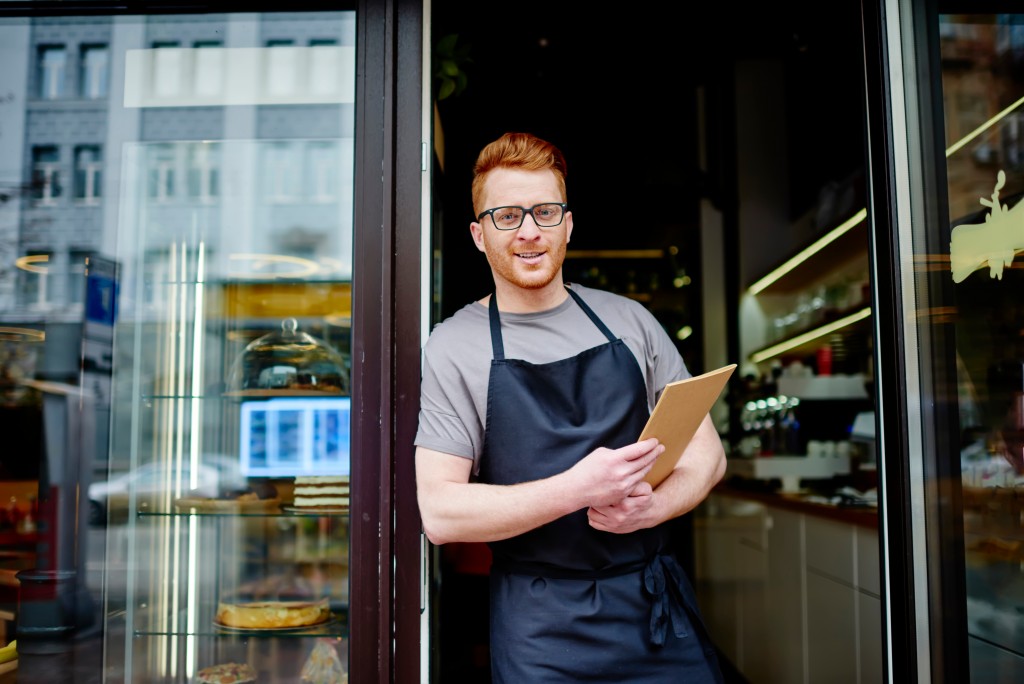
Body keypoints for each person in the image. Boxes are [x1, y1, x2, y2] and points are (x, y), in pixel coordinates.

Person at [414, 131, 727, 683]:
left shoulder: (631, 322)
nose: (529, 231)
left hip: (652, 610)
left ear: (568, 225)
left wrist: (653, 509)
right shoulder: (454, 345)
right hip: (542, 629)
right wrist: (579, 488)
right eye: (507, 215)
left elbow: (708, 459)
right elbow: (440, 514)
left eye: (545, 212)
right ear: (478, 235)